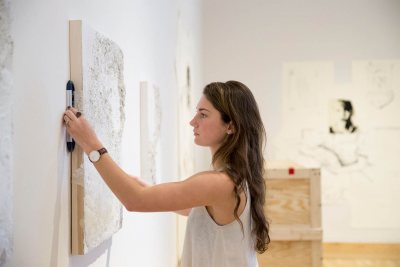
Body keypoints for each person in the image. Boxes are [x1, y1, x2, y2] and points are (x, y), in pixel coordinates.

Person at [63, 80, 270, 266]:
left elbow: (135, 201)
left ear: (230, 126)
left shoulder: (221, 183)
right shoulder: (234, 177)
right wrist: (146, 188)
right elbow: (193, 209)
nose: (193, 121)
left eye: (203, 114)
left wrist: (91, 143)